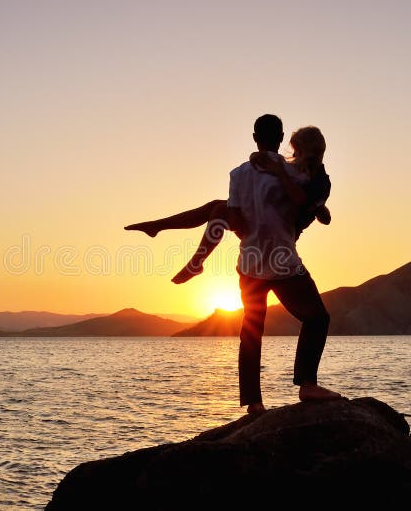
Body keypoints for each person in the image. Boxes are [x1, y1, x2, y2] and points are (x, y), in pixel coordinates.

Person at [227, 115, 341, 413]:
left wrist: (252, 235)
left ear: (255, 137)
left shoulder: (237, 174)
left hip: (249, 263)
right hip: (283, 263)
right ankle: (307, 384)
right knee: (317, 318)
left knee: (251, 330)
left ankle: (253, 403)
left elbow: (236, 220)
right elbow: (306, 199)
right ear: (280, 138)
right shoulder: (294, 173)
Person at [125, 126, 332, 284]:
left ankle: (194, 260)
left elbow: (308, 204)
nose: (293, 155)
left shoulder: (314, 180)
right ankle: (160, 228)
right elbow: (307, 201)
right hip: (266, 227)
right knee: (215, 206)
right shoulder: (299, 172)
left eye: (296, 151)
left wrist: (318, 208)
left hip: (277, 233)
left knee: (218, 209)